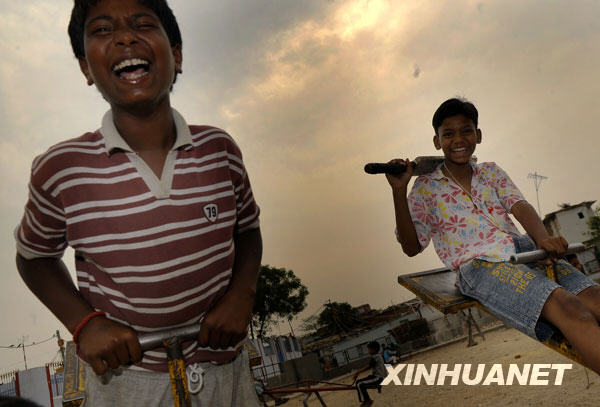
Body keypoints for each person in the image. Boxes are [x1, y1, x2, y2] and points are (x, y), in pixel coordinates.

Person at [14, 1, 262, 405]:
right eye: (101, 30)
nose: (125, 37)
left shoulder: (220, 150)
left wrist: (242, 294)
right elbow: (34, 258)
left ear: (177, 55)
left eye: (143, 24)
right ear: (84, 67)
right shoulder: (63, 168)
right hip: (128, 384)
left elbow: (248, 231)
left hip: (225, 372)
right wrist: (85, 325)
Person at [387, 98, 600, 374]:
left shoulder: (490, 172)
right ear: (437, 141)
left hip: (523, 249)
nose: (459, 139)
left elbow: (519, 206)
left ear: (478, 135)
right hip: (481, 266)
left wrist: (542, 238)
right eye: (448, 134)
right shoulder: (425, 188)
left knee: (595, 298)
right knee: (569, 308)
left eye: (466, 130)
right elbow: (411, 247)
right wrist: (398, 191)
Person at [352, 341, 386, 406]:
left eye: (369, 349)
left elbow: (369, 366)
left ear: (374, 349)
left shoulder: (375, 357)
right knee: (358, 382)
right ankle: (365, 401)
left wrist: (358, 372)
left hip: (377, 378)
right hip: (377, 377)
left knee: (359, 384)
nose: (368, 351)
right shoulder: (379, 356)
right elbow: (383, 369)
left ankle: (367, 401)